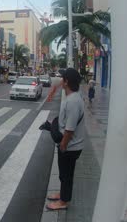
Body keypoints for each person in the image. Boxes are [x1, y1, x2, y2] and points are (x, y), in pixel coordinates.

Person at [46, 68, 85, 210]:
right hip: (69, 145)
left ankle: (63, 202)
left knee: (67, 175)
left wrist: (63, 145)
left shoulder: (73, 101)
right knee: (63, 174)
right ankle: (62, 195)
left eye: (63, 79)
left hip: (70, 146)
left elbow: (70, 129)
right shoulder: (72, 98)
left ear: (67, 82)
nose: (61, 81)